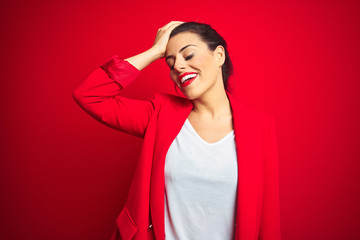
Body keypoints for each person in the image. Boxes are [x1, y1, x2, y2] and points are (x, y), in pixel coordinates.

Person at [73, 21, 281, 240]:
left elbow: (267, 215)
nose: (178, 67)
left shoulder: (259, 125)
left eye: (188, 55)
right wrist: (154, 52)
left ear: (219, 55)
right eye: (170, 64)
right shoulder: (160, 114)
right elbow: (88, 95)